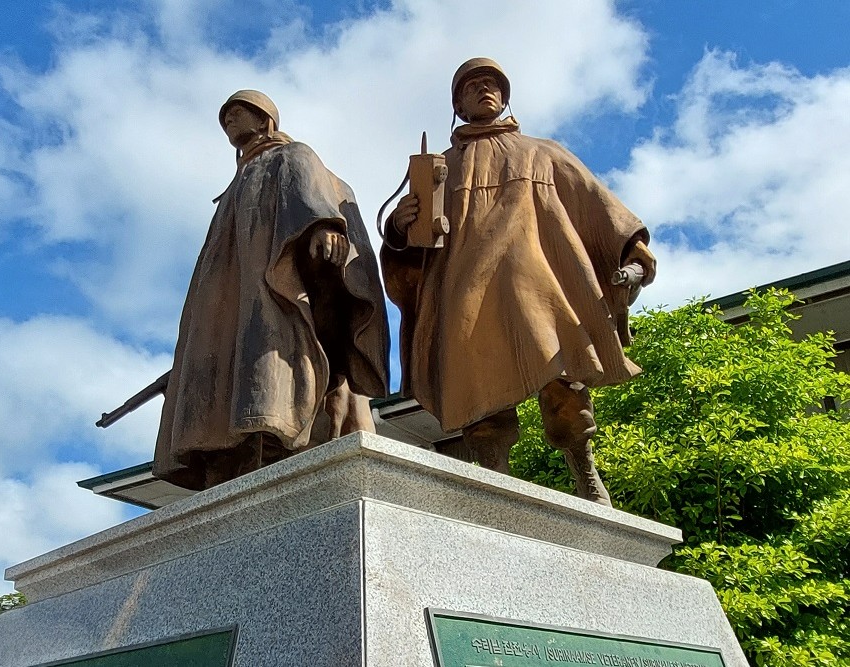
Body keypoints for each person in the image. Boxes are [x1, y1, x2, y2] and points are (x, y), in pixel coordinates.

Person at [382, 59, 656, 505]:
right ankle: (495, 486)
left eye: (492, 84)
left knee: (563, 375)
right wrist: (398, 227)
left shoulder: (541, 152)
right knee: (478, 393)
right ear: (458, 104)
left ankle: (584, 470)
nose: (484, 89)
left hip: (536, 281)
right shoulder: (437, 169)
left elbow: (598, 204)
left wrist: (633, 256)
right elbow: (414, 247)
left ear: (505, 97)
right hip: (465, 288)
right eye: (472, 86)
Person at [154, 90, 389, 490]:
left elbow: (315, 192)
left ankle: (271, 443)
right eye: (225, 116)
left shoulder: (289, 156)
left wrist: (324, 225)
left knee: (270, 372)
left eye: (239, 112)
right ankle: (230, 462)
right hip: (225, 306)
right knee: (221, 377)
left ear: (266, 121)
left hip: (273, 292)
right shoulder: (233, 188)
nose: (229, 120)